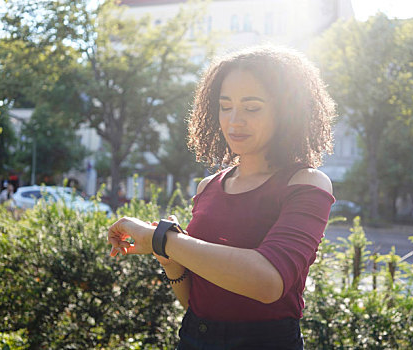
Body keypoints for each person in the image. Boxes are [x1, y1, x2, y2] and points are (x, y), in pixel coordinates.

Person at [107, 46, 337, 349]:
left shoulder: (306, 184)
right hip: (192, 337)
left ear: (288, 111)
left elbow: (268, 282)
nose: (233, 120)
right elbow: (194, 301)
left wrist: (164, 239)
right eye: (225, 106)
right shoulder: (208, 186)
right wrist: (168, 258)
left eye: (251, 108)